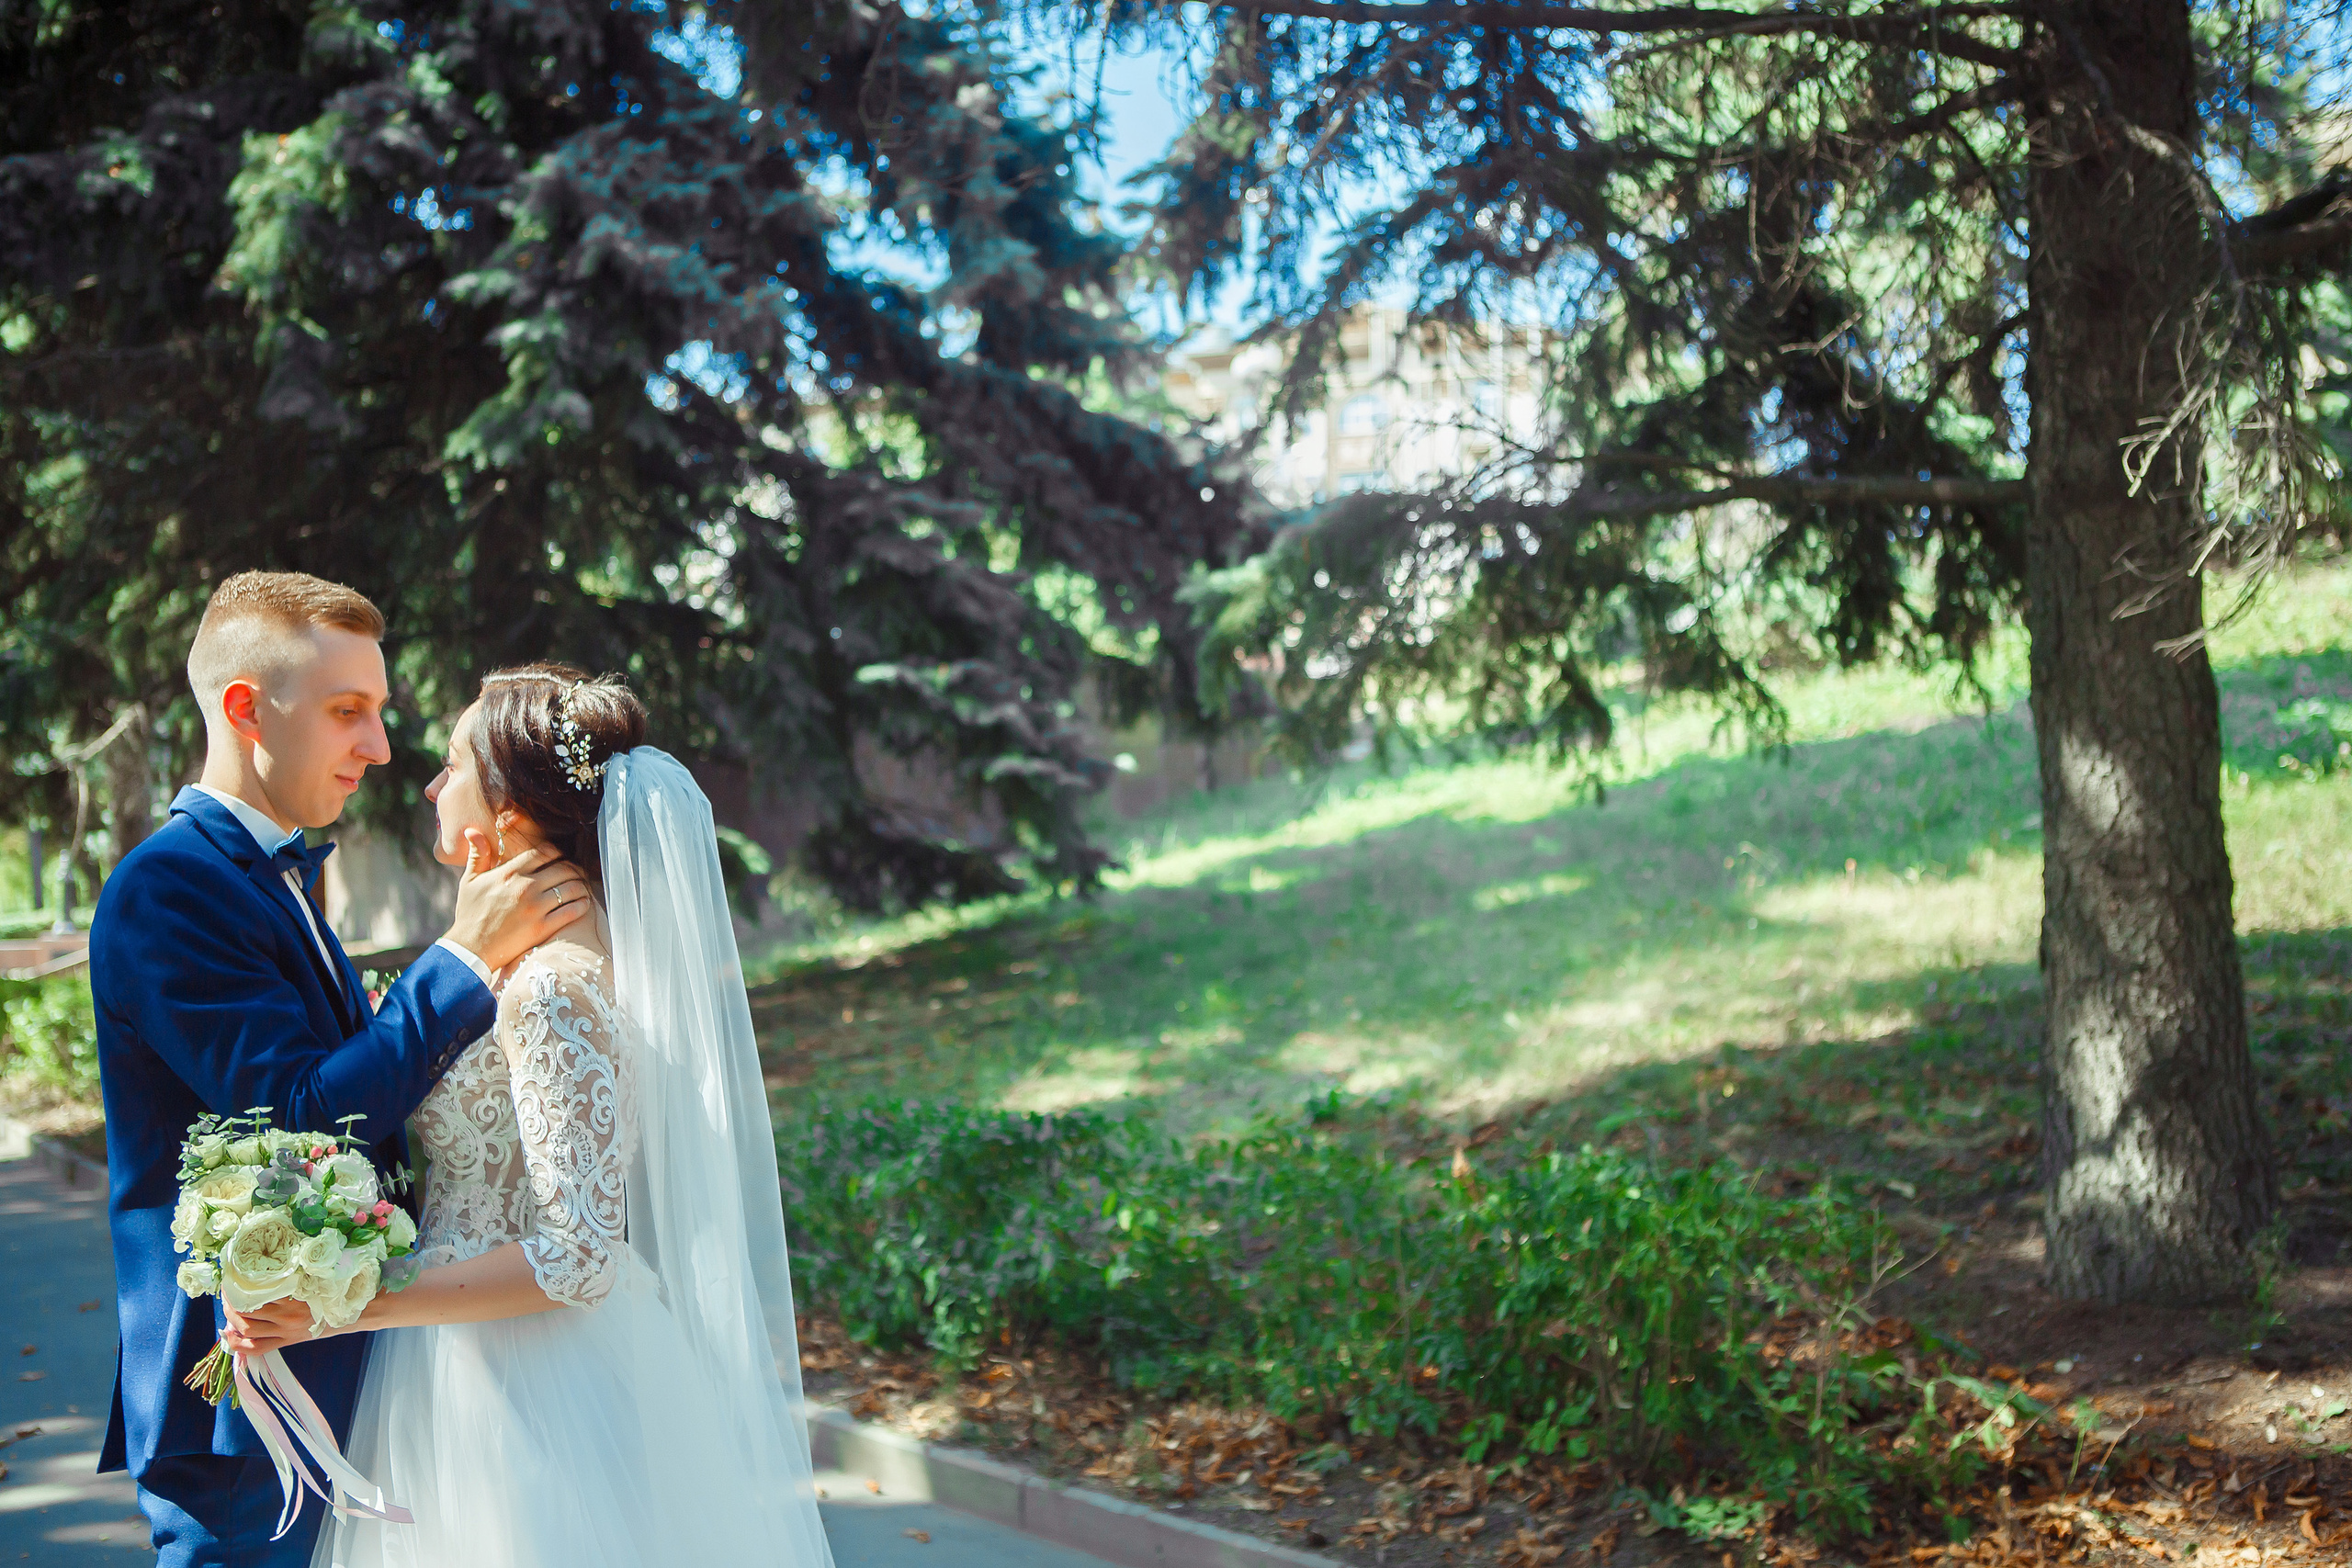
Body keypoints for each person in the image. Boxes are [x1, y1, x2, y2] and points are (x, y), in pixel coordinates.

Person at [225, 663, 836, 1568]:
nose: (429, 785)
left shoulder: (550, 989)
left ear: (506, 808)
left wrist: (344, 1306)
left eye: (451, 766)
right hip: (471, 1358)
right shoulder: (536, 966)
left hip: (534, 1388)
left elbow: (581, 1254)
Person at [90, 571, 594, 1568]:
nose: (379, 747)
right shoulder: (170, 890)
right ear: (245, 709)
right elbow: (299, 1116)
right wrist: (460, 960)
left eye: (379, 712)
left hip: (352, 1369)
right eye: (346, 712)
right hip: (249, 1402)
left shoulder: (273, 874)